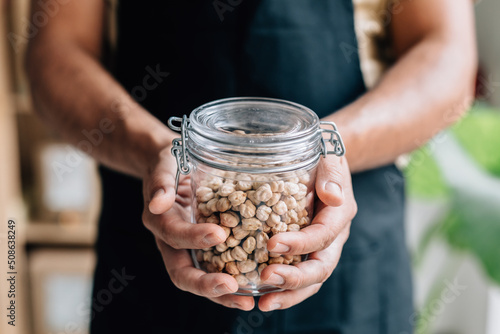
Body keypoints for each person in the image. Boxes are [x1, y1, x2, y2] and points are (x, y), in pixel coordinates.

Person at [26, 0, 477, 333]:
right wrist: (159, 150)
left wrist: (325, 153)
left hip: (349, 256)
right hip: (159, 233)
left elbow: (447, 53)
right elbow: (54, 52)